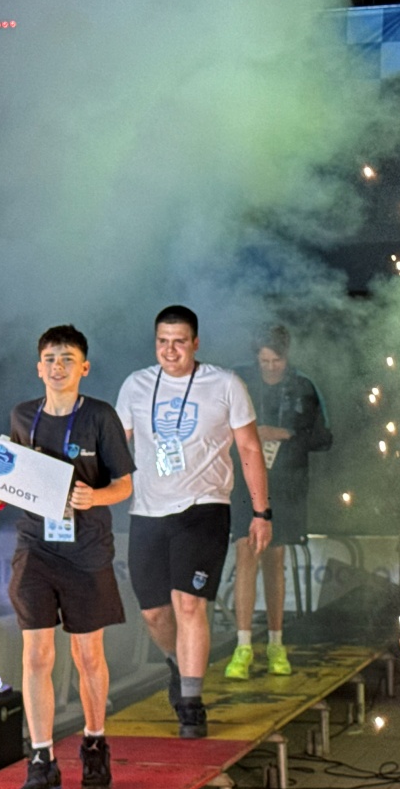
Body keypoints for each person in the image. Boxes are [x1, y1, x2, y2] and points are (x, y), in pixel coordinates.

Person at [0, 325, 135, 789]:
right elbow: (10, 477)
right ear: (38, 367)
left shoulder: (100, 416)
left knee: (87, 655)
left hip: (86, 549)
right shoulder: (22, 416)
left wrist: (96, 496)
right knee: (36, 654)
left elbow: (125, 485)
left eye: (67, 359)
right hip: (36, 547)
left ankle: (94, 743)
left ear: (84, 367)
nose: (58, 366)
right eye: (49, 358)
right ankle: (41, 759)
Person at [116, 305, 271, 738]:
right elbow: (112, 445)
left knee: (189, 603)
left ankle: (191, 702)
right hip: (147, 510)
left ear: (195, 343)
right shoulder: (136, 384)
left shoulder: (224, 384)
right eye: (163, 342)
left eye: (179, 342)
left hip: (204, 508)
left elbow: (250, 449)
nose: (170, 350)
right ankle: (177, 664)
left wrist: (261, 512)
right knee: (153, 613)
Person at [224, 325, 332, 680]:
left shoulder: (303, 387)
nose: (271, 367)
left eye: (277, 361)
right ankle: (243, 645)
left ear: (287, 357)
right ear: (256, 358)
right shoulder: (238, 380)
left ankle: (275, 642)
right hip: (244, 483)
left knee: (275, 557)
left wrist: (285, 434)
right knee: (245, 551)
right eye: (265, 361)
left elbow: (324, 437)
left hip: (286, 485)